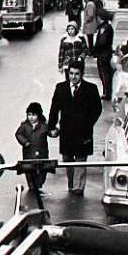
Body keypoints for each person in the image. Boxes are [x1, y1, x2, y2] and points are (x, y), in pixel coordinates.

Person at [48, 60, 102, 195]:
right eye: (71, 73)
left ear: (81, 74)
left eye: (77, 74)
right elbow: (54, 109)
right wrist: (51, 126)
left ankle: (78, 187)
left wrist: (88, 124)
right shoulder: (60, 88)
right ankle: (71, 182)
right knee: (67, 159)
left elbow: (97, 109)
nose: (73, 77)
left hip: (83, 132)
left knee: (81, 159)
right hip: (66, 131)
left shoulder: (91, 89)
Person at [15, 102, 50, 193]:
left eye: (34, 115)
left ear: (38, 115)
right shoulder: (24, 126)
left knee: (43, 168)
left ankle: (39, 183)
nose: (31, 117)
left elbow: (51, 133)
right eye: (29, 115)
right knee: (29, 168)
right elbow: (18, 134)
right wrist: (24, 142)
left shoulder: (43, 126)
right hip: (28, 152)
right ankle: (31, 184)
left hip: (42, 152)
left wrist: (56, 131)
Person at [91, 9, 115, 100]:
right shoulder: (106, 27)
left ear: (99, 18)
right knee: (105, 74)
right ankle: (106, 92)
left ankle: (107, 93)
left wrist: (94, 50)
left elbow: (102, 41)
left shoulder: (104, 28)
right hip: (105, 53)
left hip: (103, 54)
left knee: (104, 74)